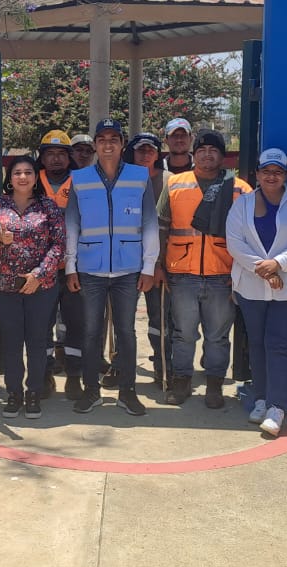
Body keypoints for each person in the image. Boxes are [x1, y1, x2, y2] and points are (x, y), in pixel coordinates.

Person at [65, 118, 160, 416]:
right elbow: (72, 224)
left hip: (128, 269)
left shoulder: (139, 176)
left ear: (122, 144)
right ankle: (91, 390)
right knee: (91, 331)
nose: (108, 144)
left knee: (126, 332)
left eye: (113, 139)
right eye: (102, 139)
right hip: (90, 269)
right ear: (95, 145)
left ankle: (127, 392)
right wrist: (70, 265)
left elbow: (150, 222)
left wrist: (149, 266)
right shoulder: (79, 179)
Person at [225, 149, 287, 437]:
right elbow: (234, 242)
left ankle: (277, 407)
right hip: (251, 286)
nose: (271, 176)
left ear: (286, 175)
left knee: (278, 345)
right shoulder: (242, 204)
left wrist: (278, 264)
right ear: (257, 173)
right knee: (256, 343)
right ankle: (261, 399)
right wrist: (264, 270)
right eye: (266, 171)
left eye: (277, 171)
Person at [159, 129, 253, 407]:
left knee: (218, 336)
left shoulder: (239, 189)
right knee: (183, 333)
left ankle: (214, 385)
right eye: (202, 150)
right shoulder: (175, 184)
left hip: (222, 274)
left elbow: (250, 234)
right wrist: (158, 265)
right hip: (182, 273)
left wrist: (240, 273)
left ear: (223, 156)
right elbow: (161, 227)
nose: (207, 155)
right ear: (194, 153)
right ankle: (182, 382)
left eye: (213, 150)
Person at [0, 156, 66, 419]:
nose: (23, 177)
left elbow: (59, 245)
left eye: (28, 172)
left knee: (37, 341)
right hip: (5, 287)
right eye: (17, 172)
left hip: (40, 286)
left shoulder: (48, 206)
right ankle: (14, 393)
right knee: (12, 342)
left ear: (35, 177)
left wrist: (38, 275)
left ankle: (34, 393)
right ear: (10, 177)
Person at [36, 129, 85, 400]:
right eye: (50, 154)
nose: (55, 159)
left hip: (74, 268)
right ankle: (44, 375)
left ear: (69, 157)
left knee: (76, 324)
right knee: (41, 325)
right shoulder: (31, 182)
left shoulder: (82, 182)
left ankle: (74, 376)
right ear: (42, 157)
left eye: (61, 154)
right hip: (41, 270)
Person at [124, 132, 173, 387]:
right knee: (122, 320)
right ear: (132, 152)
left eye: (150, 150)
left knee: (159, 318)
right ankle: (121, 366)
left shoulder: (169, 181)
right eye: (141, 150)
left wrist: (159, 264)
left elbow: (170, 226)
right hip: (125, 261)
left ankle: (162, 365)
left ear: (157, 154)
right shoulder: (121, 179)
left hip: (157, 263)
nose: (145, 154)